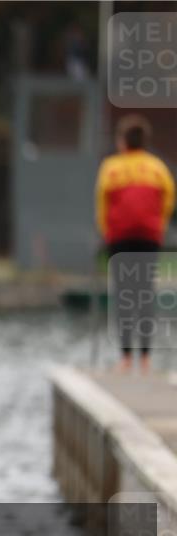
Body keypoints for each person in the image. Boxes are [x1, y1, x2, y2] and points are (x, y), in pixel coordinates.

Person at [95, 114, 175, 373]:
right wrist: (158, 227)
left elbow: (101, 205)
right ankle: (146, 357)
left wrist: (107, 233)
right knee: (144, 292)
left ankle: (126, 357)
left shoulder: (111, 168)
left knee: (124, 293)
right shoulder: (158, 168)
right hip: (149, 237)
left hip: (119, 238)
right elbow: (168, 201)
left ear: (122, 142)